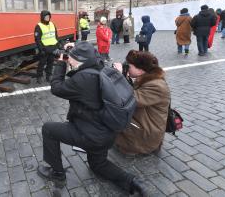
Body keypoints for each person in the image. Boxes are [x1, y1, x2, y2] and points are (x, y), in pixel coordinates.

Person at [37, 41, 147, 196]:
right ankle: (133, 183)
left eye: (71, 58)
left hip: (90, 135)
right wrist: (75, 49)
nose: (69, 60)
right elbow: (85, 61)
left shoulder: (83, 78)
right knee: (98, 165)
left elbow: (56, 88)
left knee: (48, 129)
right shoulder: (102, 67)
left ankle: (58, 174)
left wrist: (61, 62)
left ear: (80, 61)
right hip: (107, 134)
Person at [113, 50, 170, 155]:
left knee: (111, 115)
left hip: (146, 134)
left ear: (140, 70)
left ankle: (131, 145)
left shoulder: (156, 85)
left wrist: (120, 77)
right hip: (144, 123)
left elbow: (131, 100)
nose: (126, 68)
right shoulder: (146, 79)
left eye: (129, 66)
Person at [34, 10, 59, 84]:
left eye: (48, 16)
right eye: (46, 17)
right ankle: (39, 77)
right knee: (42, 63)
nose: (47, 18)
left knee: (50, 63)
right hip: (44, 49)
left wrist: (56, 45)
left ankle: (49, 76)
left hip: (52, 48)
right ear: (42, 17)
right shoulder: (39, 26)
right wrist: (41, 50)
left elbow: (56, 35)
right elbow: (37, 39)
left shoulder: (52, 24)